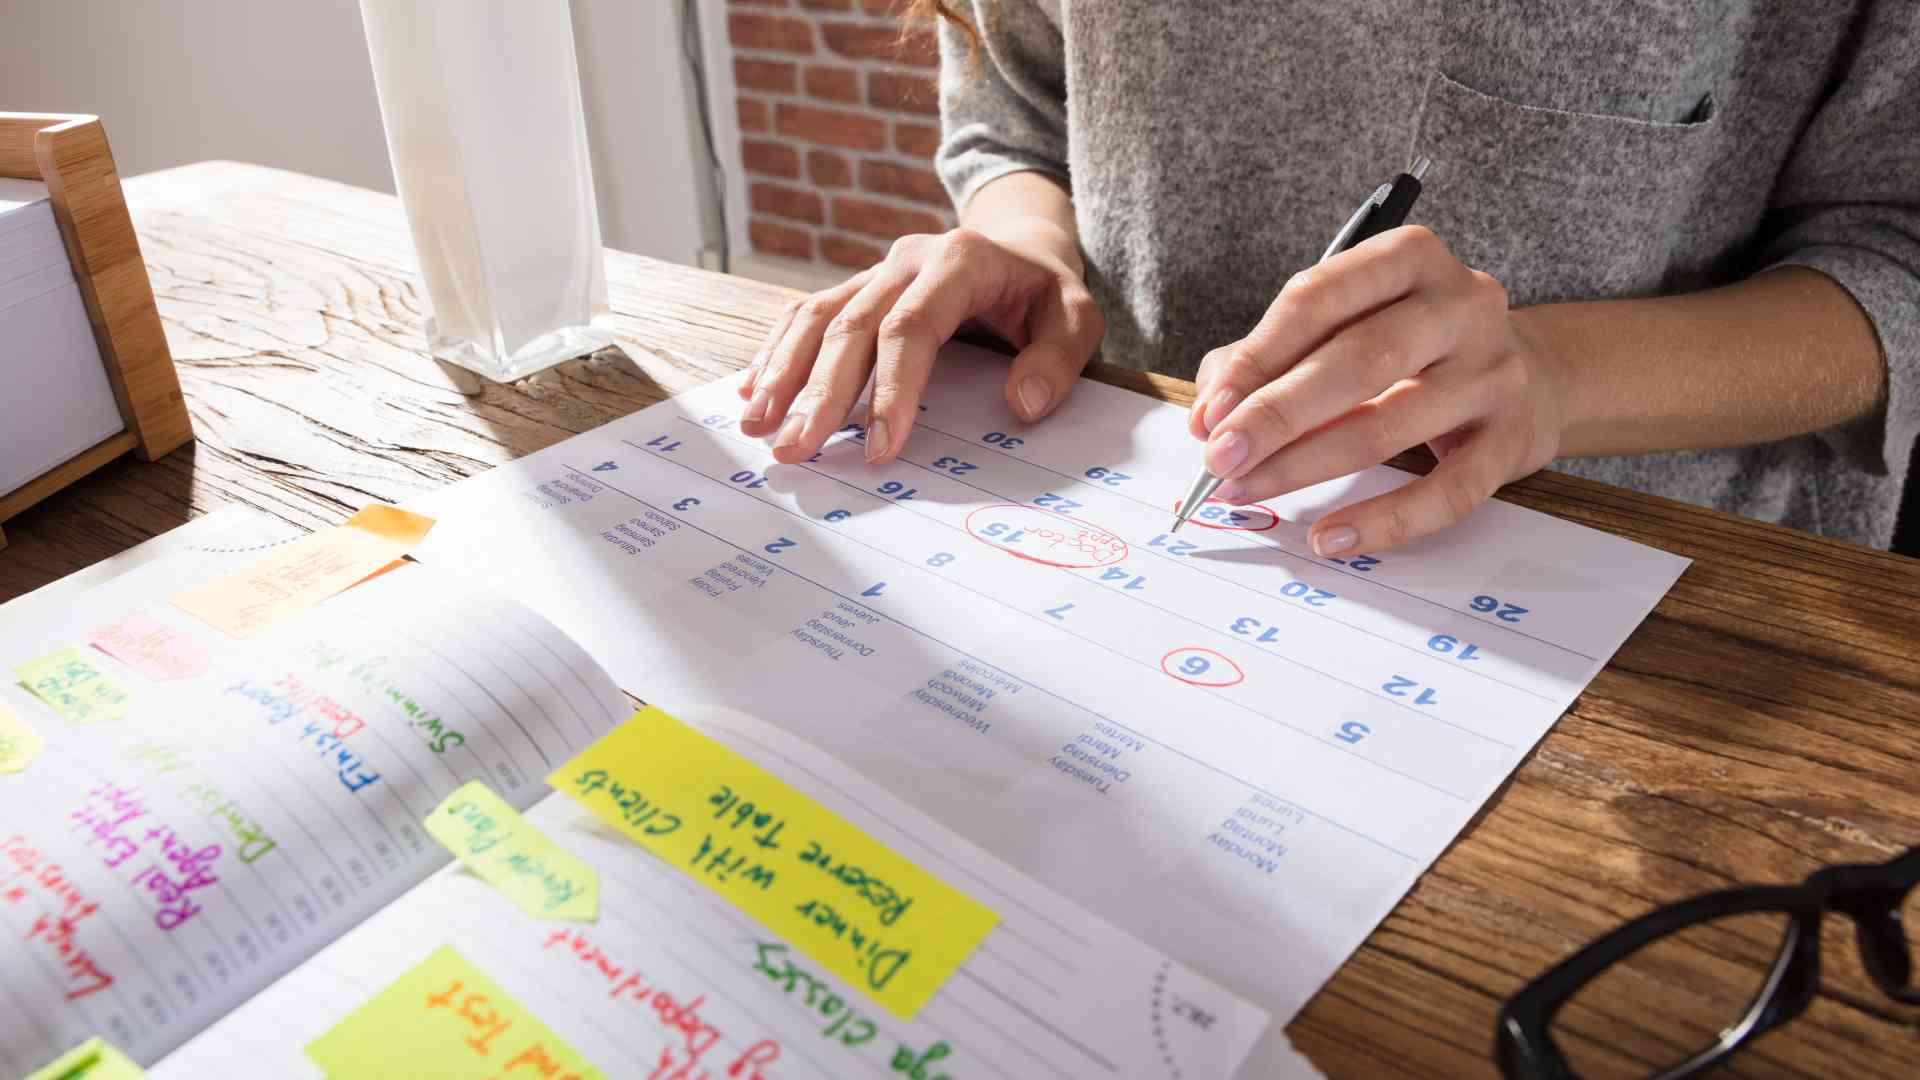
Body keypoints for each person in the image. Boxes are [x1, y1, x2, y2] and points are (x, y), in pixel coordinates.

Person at [737, 1, 1920, 556]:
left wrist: (1553, 380)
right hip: (1125, 474)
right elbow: (1014, 100)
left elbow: (1893, 242)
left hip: (1675, 606)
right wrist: (1030, 240)